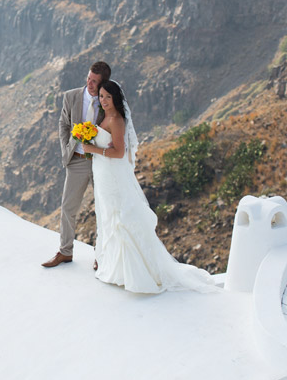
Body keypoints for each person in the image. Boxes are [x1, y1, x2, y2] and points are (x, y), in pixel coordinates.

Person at [82, 80, 219, 293]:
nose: (104, 100)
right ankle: (114, 267)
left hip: (112, 175)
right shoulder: (103, 116)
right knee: (109, 216)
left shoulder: (117, 120)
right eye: (101, 96)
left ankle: (135, 272)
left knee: (121, 218)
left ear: (116, 98)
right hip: (103, 174)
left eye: (108, 97)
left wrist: (93, 148)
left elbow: (119, 152)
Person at [42, 61, 111, 267]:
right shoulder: (71, 96)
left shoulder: (108, 100)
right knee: (68, 207)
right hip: (77, 161)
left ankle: (102, 256)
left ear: (102, 84)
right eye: (88, 79)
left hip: (101, 162)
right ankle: (65, 252)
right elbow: (63, 124)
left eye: (94, 82)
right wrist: (67, 149)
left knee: (103, 209)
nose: (89, 84)